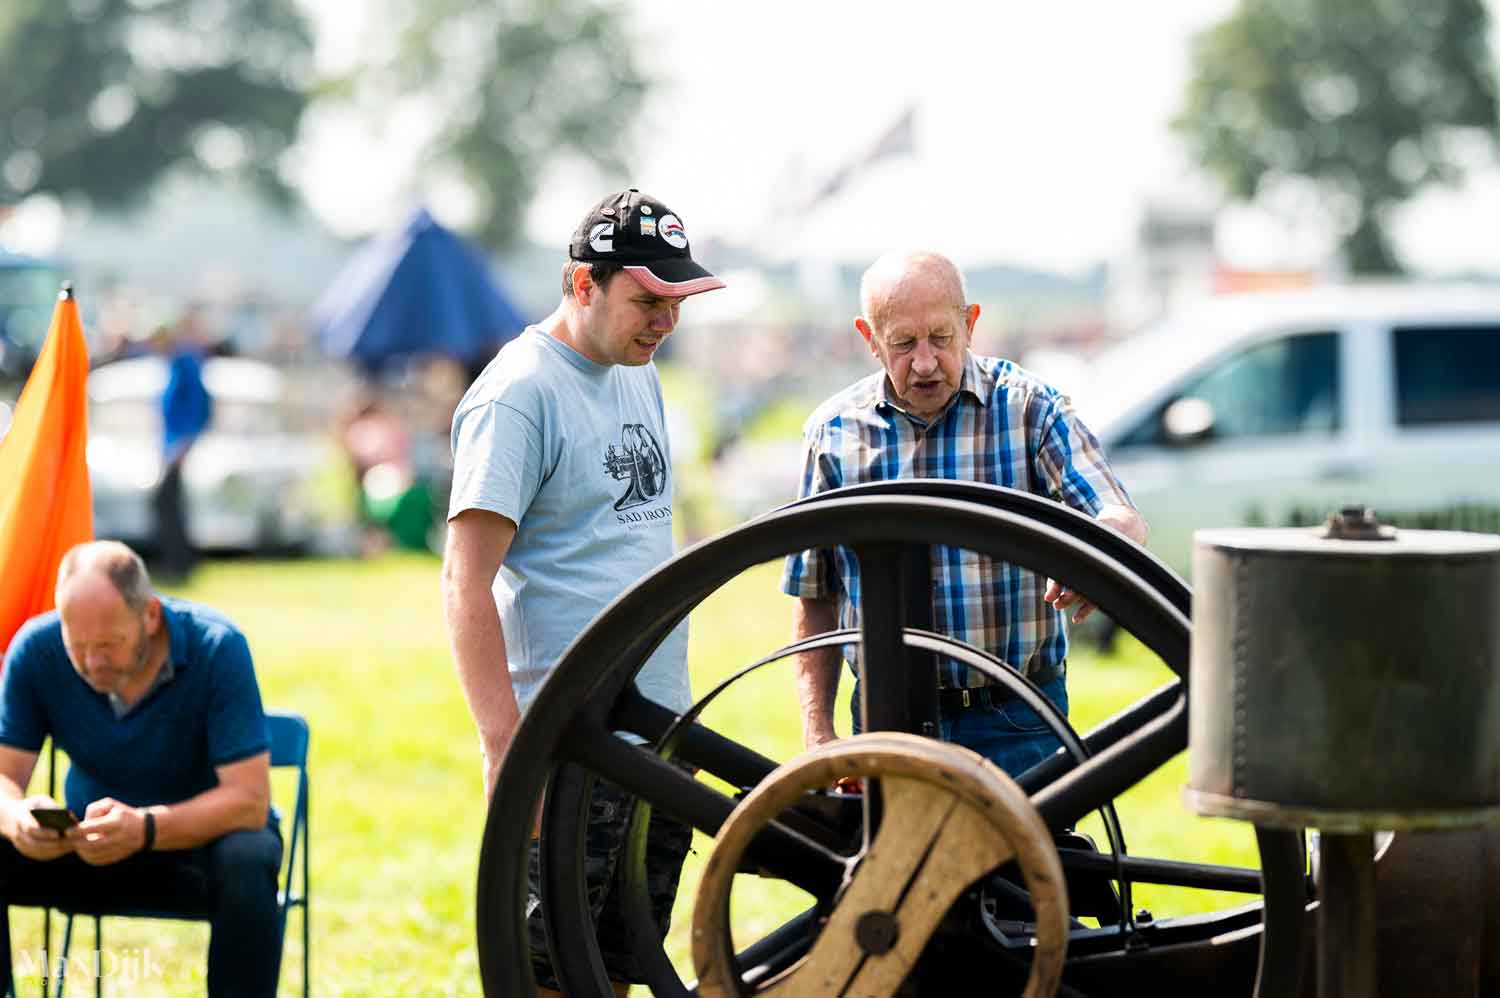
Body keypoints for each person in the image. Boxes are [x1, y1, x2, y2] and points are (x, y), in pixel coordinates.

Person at [441, 189, 724, 996]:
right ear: (582, 283)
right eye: (646, 299)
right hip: (570, 746)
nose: (664, 320)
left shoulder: (639, 370)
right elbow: (465, 580)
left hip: (655, 734)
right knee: (550, 972)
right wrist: (506, 746)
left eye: (676, 301)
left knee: (619, 965)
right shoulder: (518, 394)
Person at [782, 250, 1147, 778]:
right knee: (899, 864)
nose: (925, 362)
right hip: (889, 720)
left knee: (1028, 863)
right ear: (870, 338)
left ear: (970, 324)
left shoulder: (1029, 408)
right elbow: (815, 593)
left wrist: (1102, 548)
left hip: (1018, 717)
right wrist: (819, 734)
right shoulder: (834, 434)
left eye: (941, 337)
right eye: (904, 343)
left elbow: (1117, 512)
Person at [0, 541, 282, 997]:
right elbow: (2, 779)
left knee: (248, 854)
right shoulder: (36, 649)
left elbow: (249, 802)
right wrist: (19, 821)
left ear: (150, 615)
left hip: (195, 854)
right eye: (79, 647)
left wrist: (146, 828)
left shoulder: (218, 647)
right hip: (87, 848)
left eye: (109, 645)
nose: (93, 663)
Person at [152, 307, 213, 579]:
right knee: (170, 502)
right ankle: (177, 560)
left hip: (179, 444)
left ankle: (179, 561)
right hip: (171, 444)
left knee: (167, 501)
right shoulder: (174, 363)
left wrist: (187, 441)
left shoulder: (185, 363)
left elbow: (198, 405)